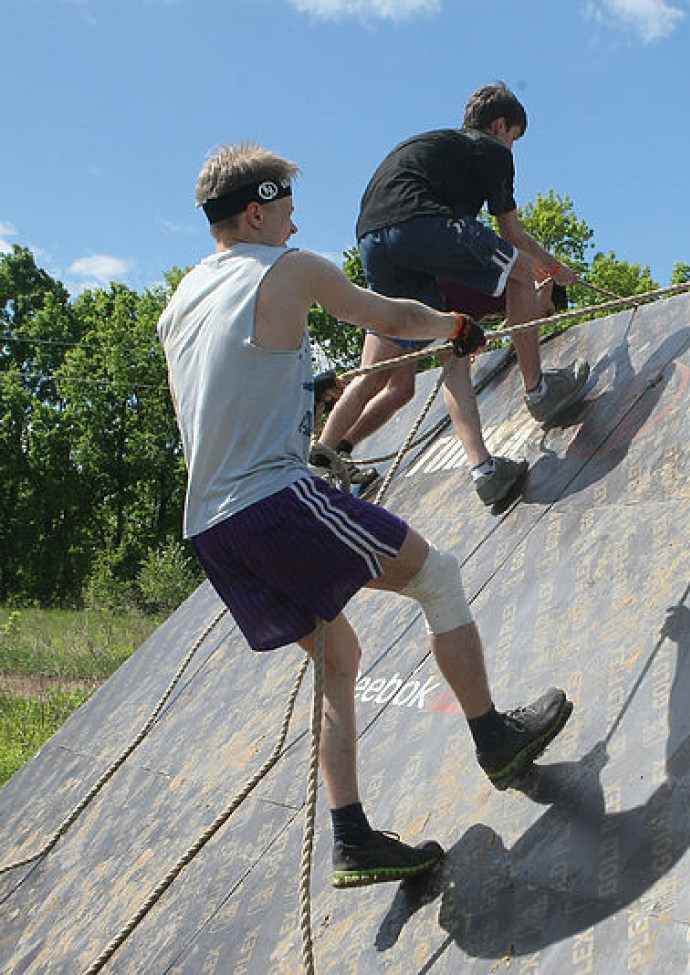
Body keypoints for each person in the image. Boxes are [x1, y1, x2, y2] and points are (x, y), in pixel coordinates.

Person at [157, 143, 573, 890]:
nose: (293, 218)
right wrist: (453, 328)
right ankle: (494, 739)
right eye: (283, 205)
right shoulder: (293, 268)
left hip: (211, 529)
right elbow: (390, 314)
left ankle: (352, 839)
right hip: (273, 500)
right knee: (438, 577)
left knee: (338, 657)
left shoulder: (180, 302)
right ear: (256, 207)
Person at [314, 82, 588, 507]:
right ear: (500, 125)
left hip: (371, 241)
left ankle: (484, 471)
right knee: (518, 273)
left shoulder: (440, 151)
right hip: (416, 223)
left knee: (453, 341)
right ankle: (539, 390)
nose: (512, 148)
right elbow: (510, 233)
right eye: (513, 138)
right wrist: (553, 268)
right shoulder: (490, 150)